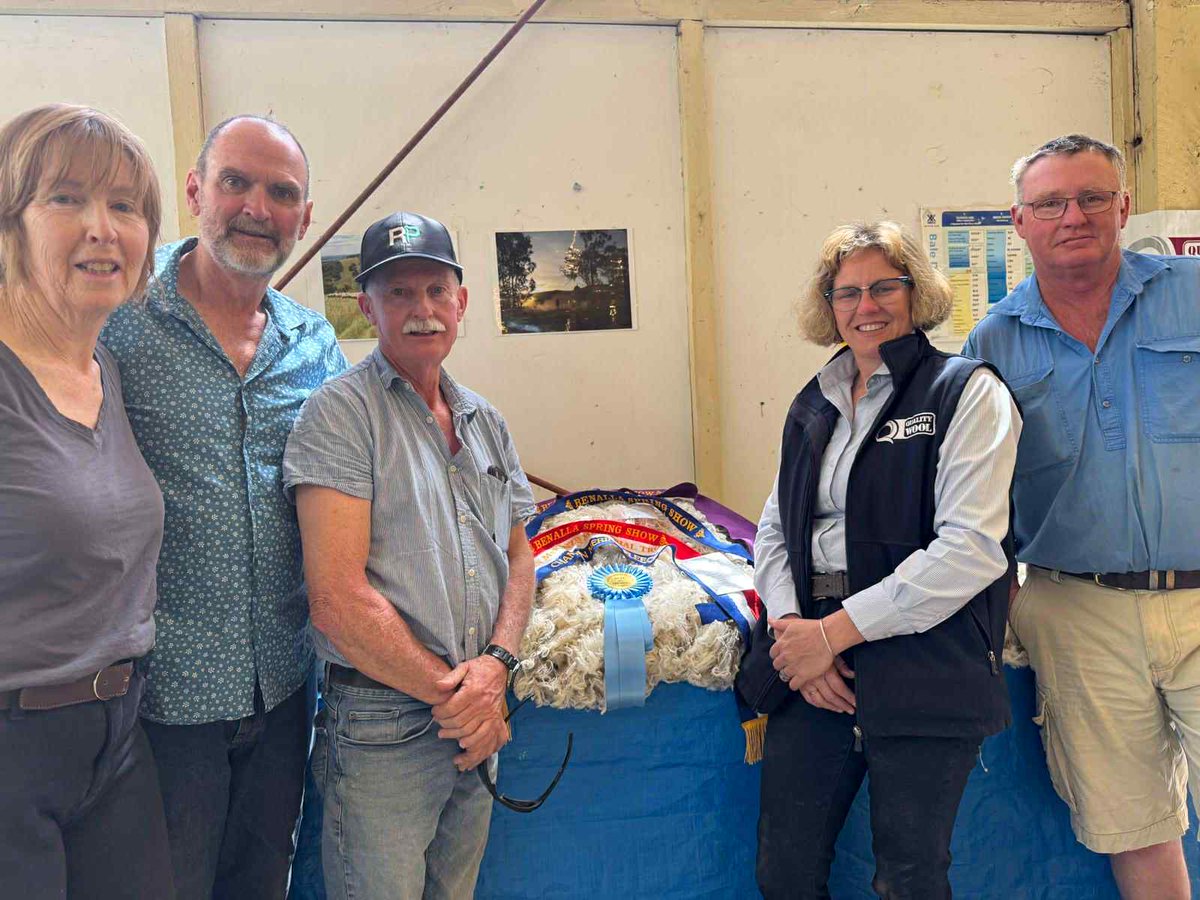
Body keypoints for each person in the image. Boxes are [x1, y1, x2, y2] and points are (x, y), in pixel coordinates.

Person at [100, 115, 347, 899]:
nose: (256, 207)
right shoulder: (118, 326)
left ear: (303, 218)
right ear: (196, 191)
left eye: (282, 193)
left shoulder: (317, 348)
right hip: (159, 699)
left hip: (281, 690)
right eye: (236, 182)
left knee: (258, 883)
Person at [753, 221, 1021, 899]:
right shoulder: (813, 403)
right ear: (828, 305)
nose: (865, 306)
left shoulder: (965, 392)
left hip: (925, 661)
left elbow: (969, 551)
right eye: (847, 292)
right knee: (784, 873)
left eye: (883, 287)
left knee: (908, 877)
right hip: (810, 657)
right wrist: (791, 633)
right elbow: (776, 527)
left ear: (917, 293)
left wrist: (830, 635)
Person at [964, 134, 1200, 900]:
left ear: (1123, 207)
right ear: (1019, 221)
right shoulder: (989, 343)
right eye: (1050, 203)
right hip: (1077, 609)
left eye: (1093, 197)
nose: (1074, 216)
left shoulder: (1193, 292)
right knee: (1132, 822)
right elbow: (971, 492)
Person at [283, 211, 536, 900]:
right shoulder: (338, 416)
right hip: (384, 728)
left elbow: (519, 557)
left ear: (461, 301)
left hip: (476, 709)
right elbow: (335, 600)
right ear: (366, 307)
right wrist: (460, 697)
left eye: (434, 290)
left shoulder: (487, 420)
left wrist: (497, 669)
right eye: (398, 293)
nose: (420, 310)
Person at [0, 103, 174, 898]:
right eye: (66, 198)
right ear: (11, 223)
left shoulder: (105, 366)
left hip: (116, 736)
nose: (103, 229)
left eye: (125, 206)